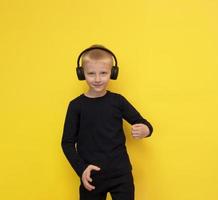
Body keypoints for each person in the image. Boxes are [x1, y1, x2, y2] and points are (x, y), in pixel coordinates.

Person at [61, 44, 153, 200]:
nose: (97, 79)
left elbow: (143, 122)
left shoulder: (118, 101)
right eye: (91, 73)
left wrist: (145, 129)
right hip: (91, 176)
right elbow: (67, 143)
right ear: (82, 73)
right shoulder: (76, 106)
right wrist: (81, 170)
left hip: (121, 175)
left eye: (103, 73)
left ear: (113, 73)